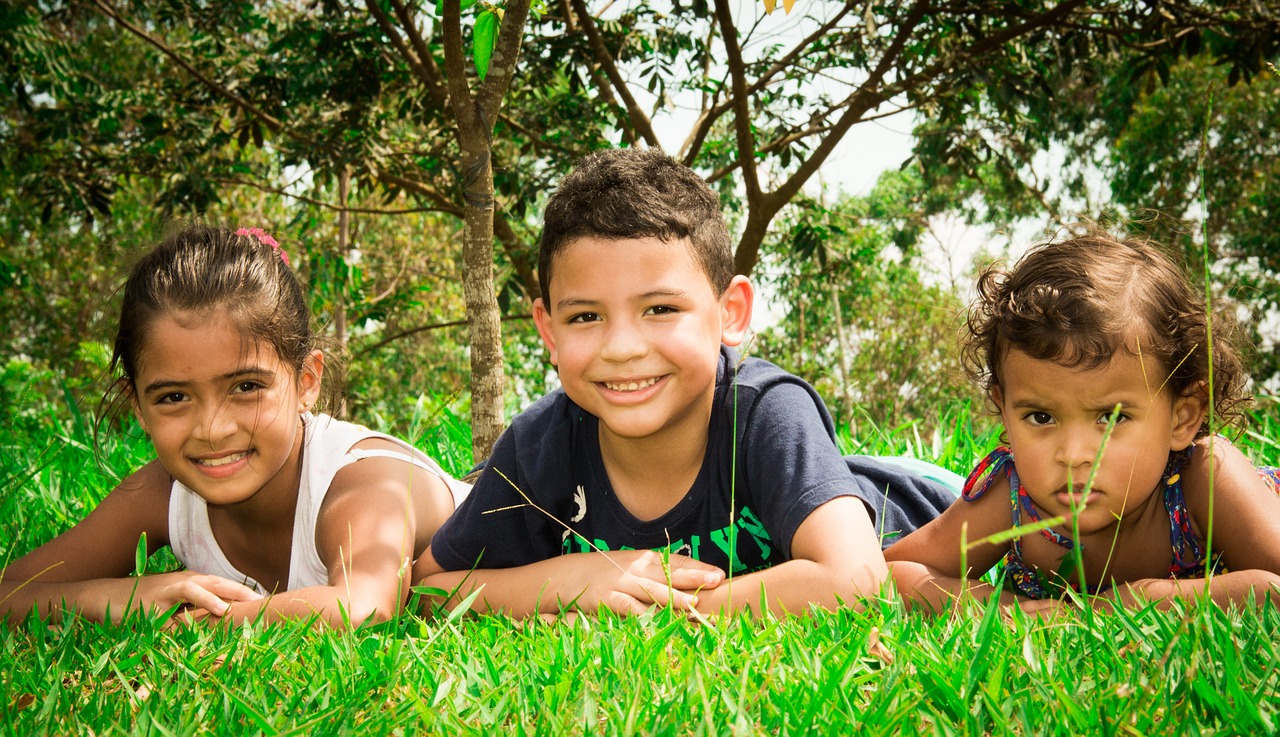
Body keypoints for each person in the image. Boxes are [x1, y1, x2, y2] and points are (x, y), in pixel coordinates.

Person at [413, 148, 955, 618]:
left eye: (660, 308)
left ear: (731, 312)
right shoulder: (538, 446)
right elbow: (430, 588)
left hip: (933, 510)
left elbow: (858, 583)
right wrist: (574, 580)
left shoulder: (766, 410)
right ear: (548, 331)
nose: (622, 347)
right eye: (584, 317)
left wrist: (652, 610)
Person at [0, 225, 468, 627]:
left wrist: (198, 623)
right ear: (137, 405)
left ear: (306, 381)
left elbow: (364, 605)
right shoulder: (159, 494)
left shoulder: (363, 481)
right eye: (174, 397)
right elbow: (12, 591)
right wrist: (119, 597)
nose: (212, 428)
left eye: (246, 387)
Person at [887, 231, 1280, 611]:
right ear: (1004, 409)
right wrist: (1002, 608)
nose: (1073, 455)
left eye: (1112, 418)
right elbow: (887, 574)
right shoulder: (1014, 496)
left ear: (1183, 417)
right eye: (1041, 417)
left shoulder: (1205, 478)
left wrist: (1150, 599)